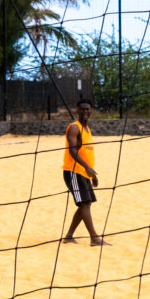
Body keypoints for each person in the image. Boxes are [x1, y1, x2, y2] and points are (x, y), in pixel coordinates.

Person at [62, 99, 107, 246]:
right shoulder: (74, 128)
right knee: (85, 204)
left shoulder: (88, 129)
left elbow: (86, 153)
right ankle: (94, 238)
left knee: (85, 205)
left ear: (91, 111)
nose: (85, 111)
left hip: (84, 172)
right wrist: (87, 168)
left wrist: (91, 174)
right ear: (77, 110)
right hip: (73, 171)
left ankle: (69, 236)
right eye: (82, 109)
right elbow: (72, 151)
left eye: (88, 109)